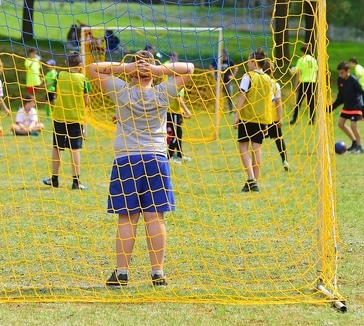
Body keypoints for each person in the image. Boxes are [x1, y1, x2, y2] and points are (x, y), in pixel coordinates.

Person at [88, 50, 194, 287]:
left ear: (133, 72)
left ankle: (122, 273)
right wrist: (155, 70)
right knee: (155, 217)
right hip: (156, 159)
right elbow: (189, 68)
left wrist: (129, 68)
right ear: (153, 74)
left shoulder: (121, 90)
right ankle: (158, 274)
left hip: (127, 160)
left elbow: (94, 67)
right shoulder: (163, 91)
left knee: (127, 218)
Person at [42, 51, 90, 190]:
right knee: (75, 150)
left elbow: (56, 93)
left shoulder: (59, 75)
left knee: (57, 148)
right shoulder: (83, 79)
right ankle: (76, 182)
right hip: (76, 119)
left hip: (59, 117)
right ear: (80, 65)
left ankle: (54, 179)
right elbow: (87, 101)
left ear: (65, 64)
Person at [233, 49, 275, 192]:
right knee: (256, 150)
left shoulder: (248, 76)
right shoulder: (269, 79)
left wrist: (236, 115)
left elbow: (242, 96)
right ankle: (254, 182)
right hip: (262, 119)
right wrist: (267, 122)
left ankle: (251, 179)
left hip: (247, 117)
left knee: (243, 148)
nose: (247, 63)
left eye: (249, 60)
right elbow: (271, 101)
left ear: (254, 62)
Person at [330, 61, 364, 154]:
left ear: (348, 71)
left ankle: (360, 147)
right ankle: (354, 143)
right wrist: (333, 106)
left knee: (353, 125)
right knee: (340, 124)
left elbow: (361, 92)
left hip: (356, 105)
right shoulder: (340, 80)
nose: (340, 75)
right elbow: (341, 96)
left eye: (342, 73)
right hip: (347, 106)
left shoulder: (353, 80)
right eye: (339, 73)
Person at [265, 58, 290, 171]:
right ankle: (285, 160)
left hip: (260, 117)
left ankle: (254, 163)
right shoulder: (276, 84)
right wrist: (280, 118)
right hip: (273, 117)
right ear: (273, 70)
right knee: (278, 138)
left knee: (256, 141)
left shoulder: (258, 82)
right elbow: (278, 102)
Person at [290, 44, 318, 125]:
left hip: (303, 83)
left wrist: (296, 85)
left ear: (302, 52)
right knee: (311, 102)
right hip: (312, 82)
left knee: (298, 102)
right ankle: (312, 120)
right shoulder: (314, 60)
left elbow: (298, 74)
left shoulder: (301, 60)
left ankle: (294, 119)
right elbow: (316, 71)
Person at [211, 47, 236, 112]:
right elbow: (211, 67)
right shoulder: (217, 60)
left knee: (229, 96)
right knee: (217, 96)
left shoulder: (229, 61)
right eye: (223, 53)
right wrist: (214, 75)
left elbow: (236, 68)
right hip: (219, 82)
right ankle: (217, 110)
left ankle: (231, 111)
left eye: (225, 54)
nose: (224, 55)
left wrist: (232, 76)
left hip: (227, 81)